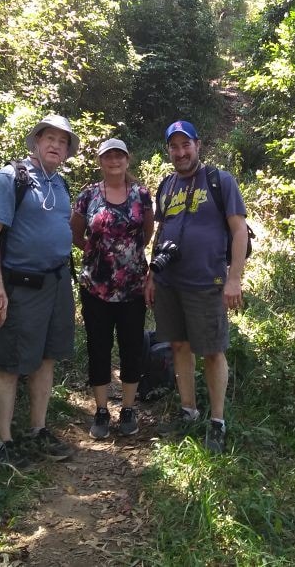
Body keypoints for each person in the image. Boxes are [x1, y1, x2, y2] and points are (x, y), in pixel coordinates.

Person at [0, 113, 78, 468]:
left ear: (67, 151)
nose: (55, 144)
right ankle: (2, 444)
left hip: (57, 282)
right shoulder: (11, 178)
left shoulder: (61, 185)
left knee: (46, 358)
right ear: (36, 141)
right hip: (20, 286)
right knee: (9, 364)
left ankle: (38, 430)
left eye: (62, 141)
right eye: (48, 137)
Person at [143, 120, 248, 454]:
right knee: (177, 346)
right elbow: (162, 233)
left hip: (207, 282)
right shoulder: (166, 186)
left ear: (197, 145)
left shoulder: (220, 181)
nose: (180, 152)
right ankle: (188, 411)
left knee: (213, 351)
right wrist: (150, 275)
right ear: (168, 151)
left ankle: (217, 422)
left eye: (185, 145)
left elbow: (239, 230)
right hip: (170, 282)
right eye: (174, 147)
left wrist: (234, 278)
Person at [70, 138, 154, 439]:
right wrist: (100, 255)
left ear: (127, 160)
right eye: (108, 156)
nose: (114, 161)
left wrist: (126, 259)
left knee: (132, 347)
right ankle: (102, 410)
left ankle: (128, 408)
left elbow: (146, 233)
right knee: (98, 348)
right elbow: (76, 234)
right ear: (100, 161)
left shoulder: (141, 195)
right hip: (96, 288)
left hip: (132, 287)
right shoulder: (88, 195)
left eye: (119, 156)